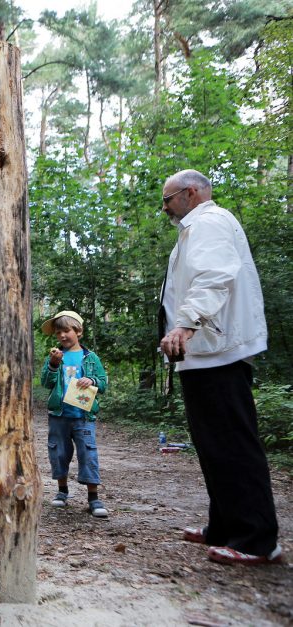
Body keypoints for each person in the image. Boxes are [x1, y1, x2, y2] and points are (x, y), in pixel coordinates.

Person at [158, 169, 281, 565]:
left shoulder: (209, 222)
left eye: (168, 199)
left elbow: (214, 276)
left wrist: (186, 321)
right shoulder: (196, 227)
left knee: (232, 444)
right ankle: (225, 526)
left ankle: (258, 540)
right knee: (213, 446)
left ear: (190, 193)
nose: (164, 208)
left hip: (217, 350)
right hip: (203, 353)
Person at [39, 310, 109, 518]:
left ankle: (93, 498)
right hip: (59, 415)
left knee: (88, 453)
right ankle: (62, 492)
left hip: (83, 416)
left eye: (66, 331)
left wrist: (92, 381)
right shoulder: (55, 356)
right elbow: (46, 382)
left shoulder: (90, 358)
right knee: (59, 452)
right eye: (58, 332)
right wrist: (53, 364)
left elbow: (103, 382)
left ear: (78, 331)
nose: (62, 336)